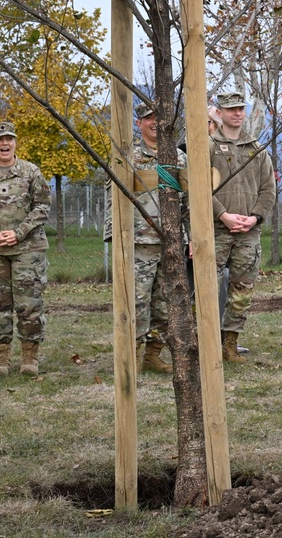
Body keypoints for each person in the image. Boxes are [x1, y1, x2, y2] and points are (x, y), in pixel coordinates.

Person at [104, 103, 189, 373]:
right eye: (148, 118)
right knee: (137, 302)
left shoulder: (178, 157)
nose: (154, 122)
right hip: (138, 242)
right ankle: (132, 354)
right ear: (139, 123)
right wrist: (113, 235)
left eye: (158, 118)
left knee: (166, 302)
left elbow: (188, 201)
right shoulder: (127, 156)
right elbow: (113, 196)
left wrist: (190, 237)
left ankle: (153, 355)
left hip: (171, 241)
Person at [210, 92, 276, 363]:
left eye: (240, 109)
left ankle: (230, 344)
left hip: (248, 231)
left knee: (242, 290)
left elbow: (268, 189)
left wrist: (255, 218)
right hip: (215, 229)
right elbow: (196, 186)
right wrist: (222, 214)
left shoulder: (256, 148)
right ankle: (206, 342)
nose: (237, 113)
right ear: (220, 113)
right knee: (206, 288)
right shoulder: (208, 146)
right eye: (231, 109)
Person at [0, 122, 51, 376]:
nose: (5, 144)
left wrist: (19, 232)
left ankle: (29, 358)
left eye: (9, 139)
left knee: (29, 304)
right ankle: (1, 360)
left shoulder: (31, 172)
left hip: (28, 249)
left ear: (15, 142)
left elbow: (43, 206)